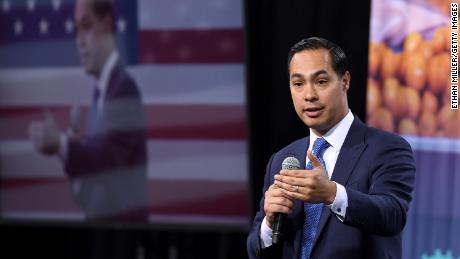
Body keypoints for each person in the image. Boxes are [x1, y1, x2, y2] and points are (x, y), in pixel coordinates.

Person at [247, 37, 416, 258]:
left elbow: (392, 215)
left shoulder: (387, 148)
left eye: (321, 81)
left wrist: (332, 194)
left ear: (344, 81)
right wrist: (268, 224)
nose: (309, 95)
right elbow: (255, 249)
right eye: (298, 84)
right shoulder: (281, 159)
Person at [29, 0, 148, 222]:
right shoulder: (102, 92)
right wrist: (75, 152)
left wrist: (62, 145)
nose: (79, 41)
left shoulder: (124, 89)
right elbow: (93, 195)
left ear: (105, 25)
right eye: (76, 30)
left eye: (87, 26)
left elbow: (107, 164)